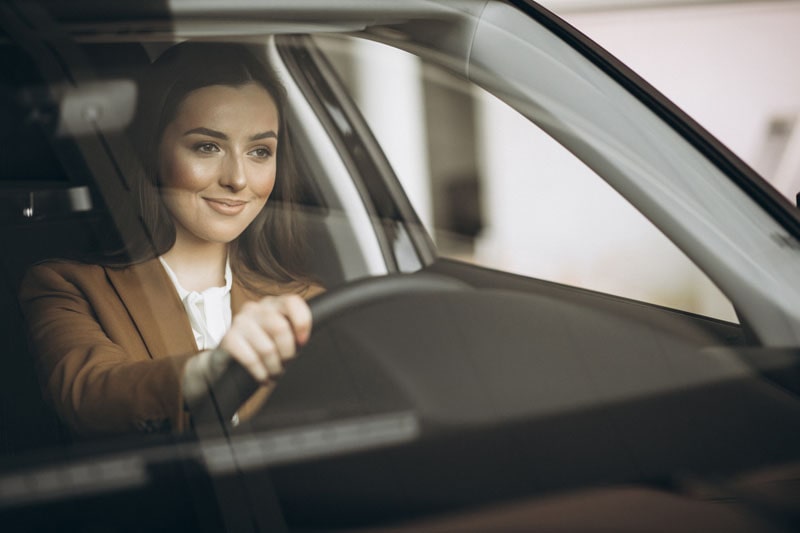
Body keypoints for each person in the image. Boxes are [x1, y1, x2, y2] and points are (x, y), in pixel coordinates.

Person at [18, 42, 322, 436]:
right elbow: (89, 395)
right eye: (207, 146)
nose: (238, 179)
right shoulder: (67, 286)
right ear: (152, 152)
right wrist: (212, 372)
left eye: (260, 151)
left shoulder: (307, 303)